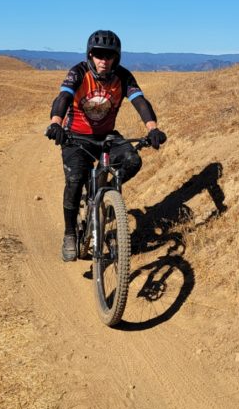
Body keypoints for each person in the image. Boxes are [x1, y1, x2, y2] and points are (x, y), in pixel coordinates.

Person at [46, 29, 167, 261]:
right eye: (98, 55)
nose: (103, 60)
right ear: (90, 55)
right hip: (76, 137)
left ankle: (104, 193)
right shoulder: (79, 72)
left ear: (116, 58)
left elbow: (139, 101)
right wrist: (56, 124)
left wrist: (152, 128)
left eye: (108, 55)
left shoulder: (122, 76)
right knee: (74, 181)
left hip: (106, 137)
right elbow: (62, 98)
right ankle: (70, 234)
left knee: (132, 160)